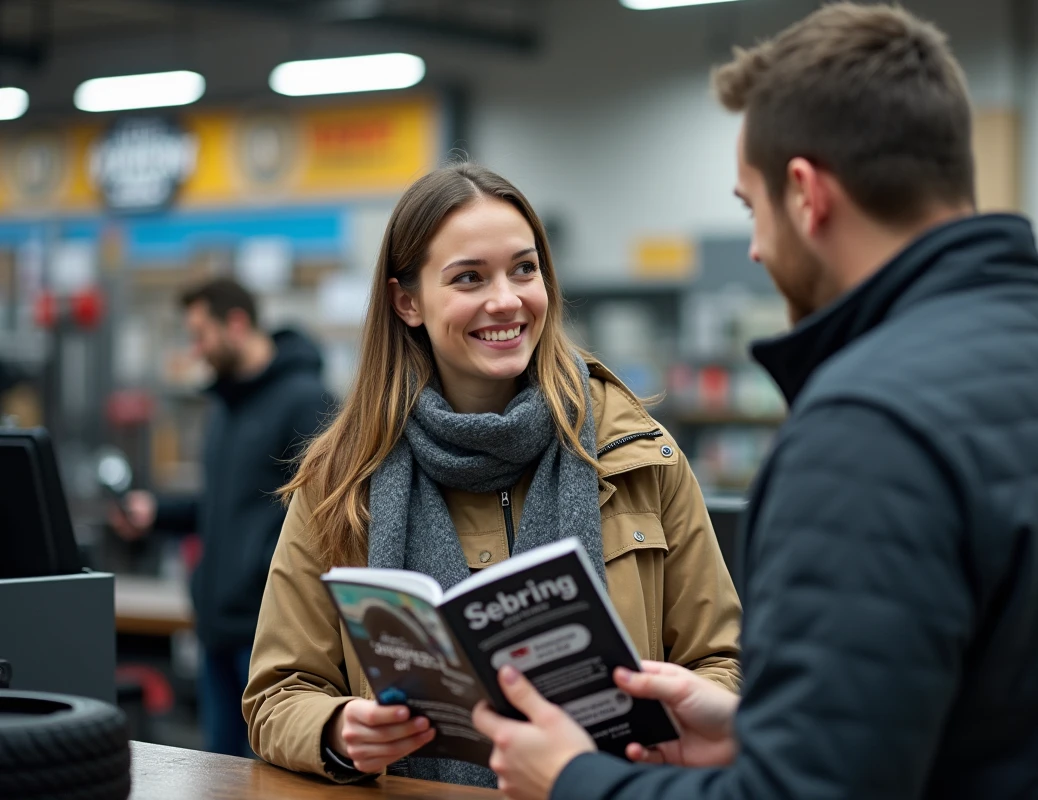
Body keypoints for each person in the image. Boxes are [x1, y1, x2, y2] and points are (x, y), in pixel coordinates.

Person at [473, 4, 1038, 800]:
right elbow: (1030, 713)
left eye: (753, 209)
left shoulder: (869, 427)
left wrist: (572, 779)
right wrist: (762, 734)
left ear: (806, 194)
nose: (754, 247)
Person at [242, 164, 742, 789]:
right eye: (469, 278)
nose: (506, 299)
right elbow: (277, 695)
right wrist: (340, 730)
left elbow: (723, 661)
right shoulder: (343, 479)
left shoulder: (637, 454)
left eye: (524, 269)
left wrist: (663, 713)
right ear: (408, 302)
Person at [111, 278, 331, 757]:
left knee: (270, 778)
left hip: (267, 635)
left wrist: (255, 578)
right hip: (216, 628)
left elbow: (324, 518)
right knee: (216, 776)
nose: (197, 349)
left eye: (201, 334)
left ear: (236, 323)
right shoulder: (225, 406)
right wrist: (158, 515)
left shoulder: (307, 401)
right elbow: (222, 507)